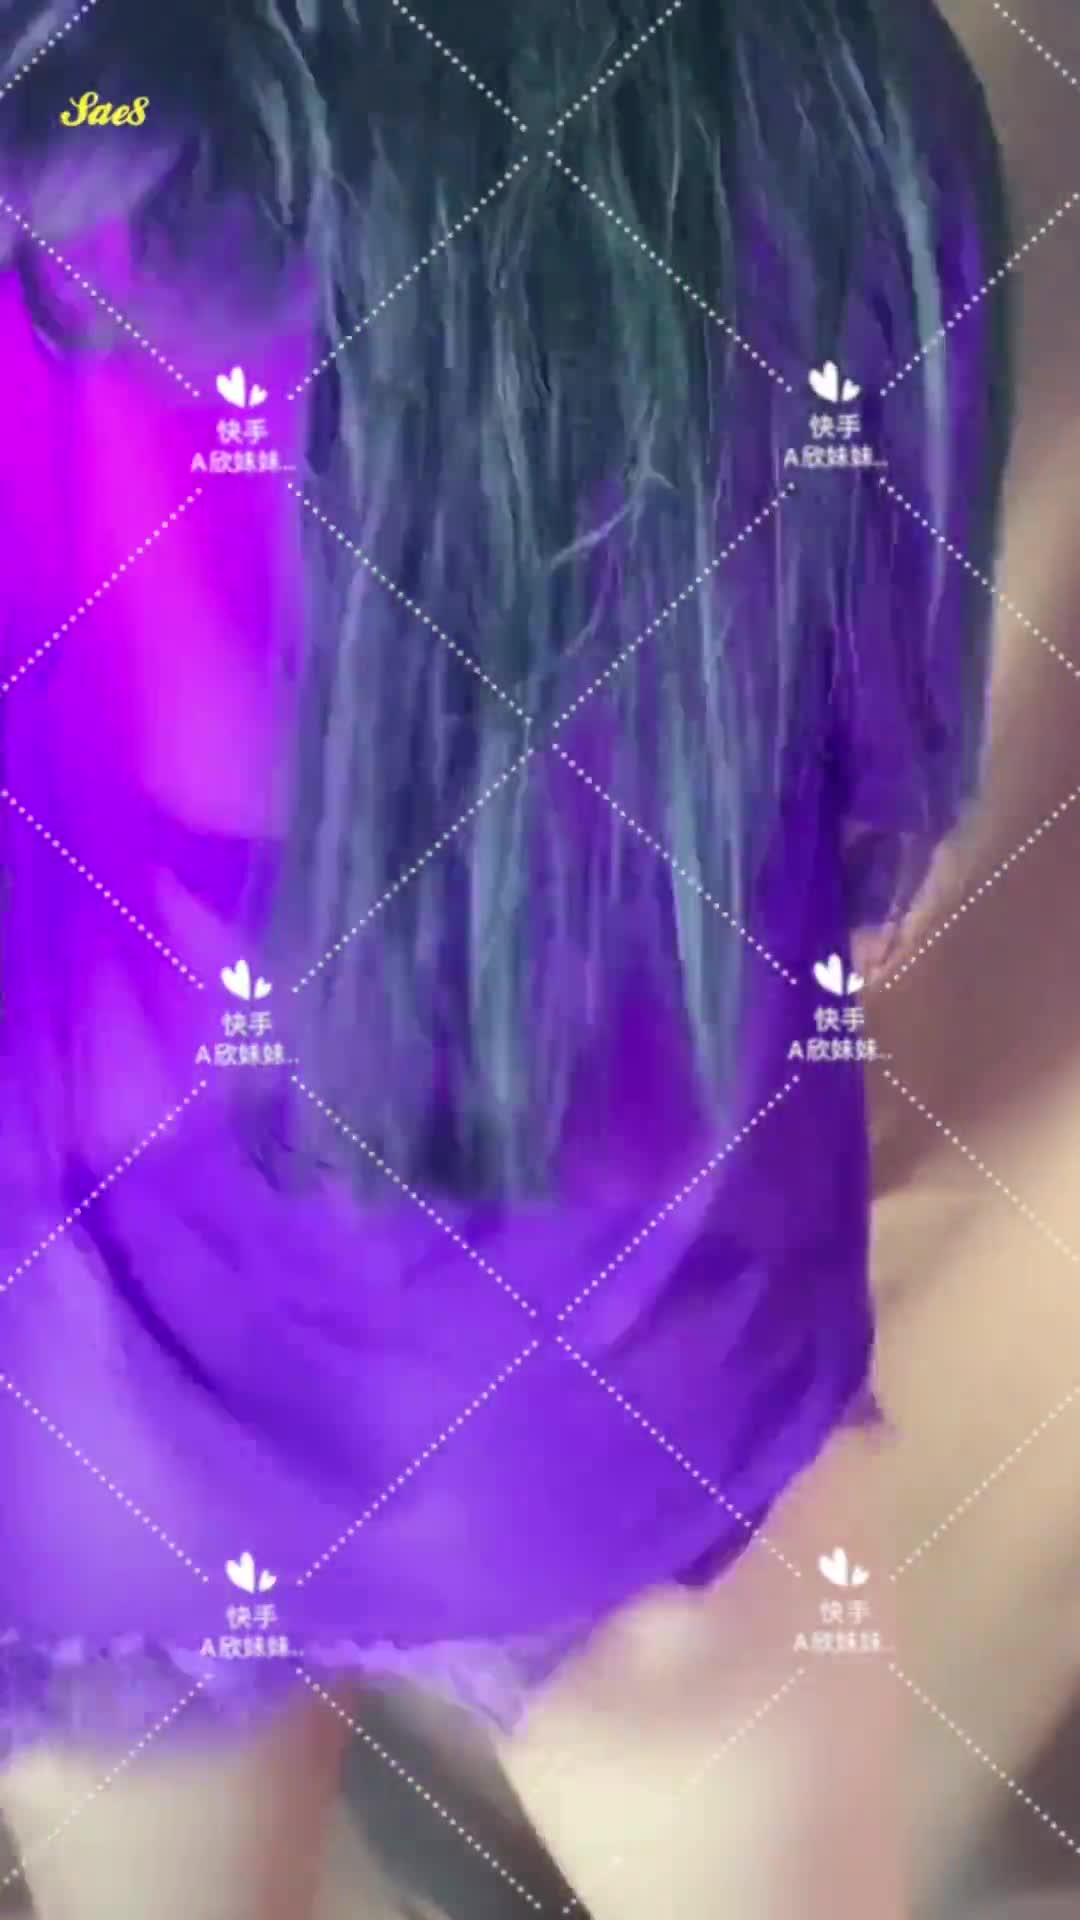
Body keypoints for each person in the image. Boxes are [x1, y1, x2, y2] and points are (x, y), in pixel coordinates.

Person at [0, 1, 1010, 1915]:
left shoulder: (67, 104)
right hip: (618, 1393)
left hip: (99, 1408)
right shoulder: (825, 85)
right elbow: (888, 820)